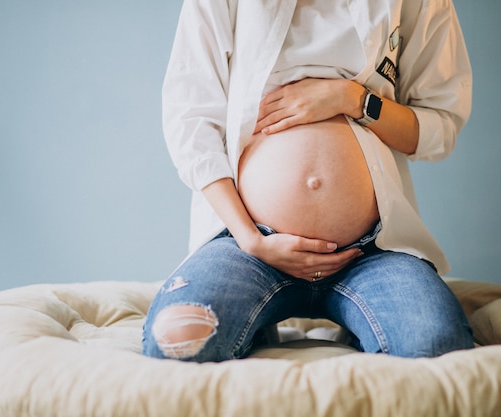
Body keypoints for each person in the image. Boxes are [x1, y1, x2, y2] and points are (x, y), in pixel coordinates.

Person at [142, 0, 474, 362]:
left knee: (435, 346)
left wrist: (353, 99)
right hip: (249, 246)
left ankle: (362, 323)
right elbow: (190, 120)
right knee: (178, 341)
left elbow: (438, 128)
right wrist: (252, 240)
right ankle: (254, 321)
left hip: (370, 250)